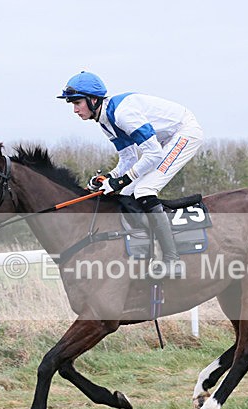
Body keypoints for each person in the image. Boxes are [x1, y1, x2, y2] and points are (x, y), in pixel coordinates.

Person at [57, 71, 203, 278]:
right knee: (126, 193)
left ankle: (172, 260)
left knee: (144, 190)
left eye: (77, 103)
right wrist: (109, 178)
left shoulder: (122, 114)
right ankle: (149, 249)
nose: (75, 110)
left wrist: (123, 179)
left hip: (184, 133)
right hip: (164, 141)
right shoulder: (105, 121)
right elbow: (129, 158)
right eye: (72, 104)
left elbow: (153, 154)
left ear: (93, 100)